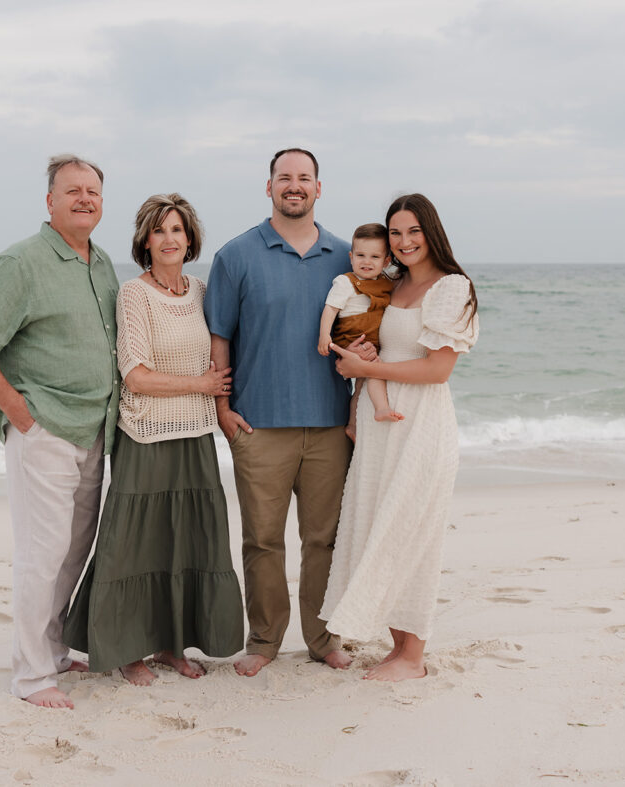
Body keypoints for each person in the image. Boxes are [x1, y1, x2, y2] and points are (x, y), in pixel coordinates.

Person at [0, 154, 118, 709]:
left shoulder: (103, 262)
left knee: (73, 552)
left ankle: (54, 650)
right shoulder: (21, 262)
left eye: (92, 190)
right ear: (50, 201)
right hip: (44, 429)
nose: (84, 198)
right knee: (42, 554)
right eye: (72, 191)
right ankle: (30, 675)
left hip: (95, 431)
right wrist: (19, 411)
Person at [63, 194, 244, 686]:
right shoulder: (134, 295)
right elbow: (136, 376)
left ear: (190, 240)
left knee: (187, 543)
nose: (169, 239)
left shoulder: (203, 292)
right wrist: (200, 384)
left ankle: (172, 646)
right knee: (135, 547)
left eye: (178, 231)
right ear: (146, 240)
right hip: (146, 434)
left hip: (197, 433)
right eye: (160, 231)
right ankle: (128, 651)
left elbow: (233, 344)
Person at [205, 148, 371, 677]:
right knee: (262, 541)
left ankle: (324, 640)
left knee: (324, 540)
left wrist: (363, 382)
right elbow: (219, 338)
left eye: (304, 178)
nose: (293, 186)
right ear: (269, 187)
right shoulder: (236, 256)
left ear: (319, 189)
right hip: (259, 426)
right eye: (284, 178)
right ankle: (265, 641)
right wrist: (222, 410)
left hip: (330, 427)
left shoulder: (349, 257)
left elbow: (371, 334)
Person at [319, 193, 479, 682]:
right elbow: (373, 345)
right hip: (376, 421)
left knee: (412, 532)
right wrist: (358, 381)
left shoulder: (451, 288)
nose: (404, 241)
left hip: (419, 423)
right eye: (395, 233)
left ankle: (414, 656)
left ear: (431, 231)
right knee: (375, 526)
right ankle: (397, 647)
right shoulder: (391, 283)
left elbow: (436, 369)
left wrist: (368, 366)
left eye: (413, 231)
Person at [317, 223, 402, 436]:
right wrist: (324, 335)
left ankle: (353, 426)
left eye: (374, 257)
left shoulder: (385, 283)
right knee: (374, 371)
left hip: (371, 339)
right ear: (351, 256)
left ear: (386, 261)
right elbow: (331, 309)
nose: (366, 261)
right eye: (361, 255)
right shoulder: (346, 282)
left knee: (364, 382)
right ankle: (381, 408)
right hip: (351, 337)